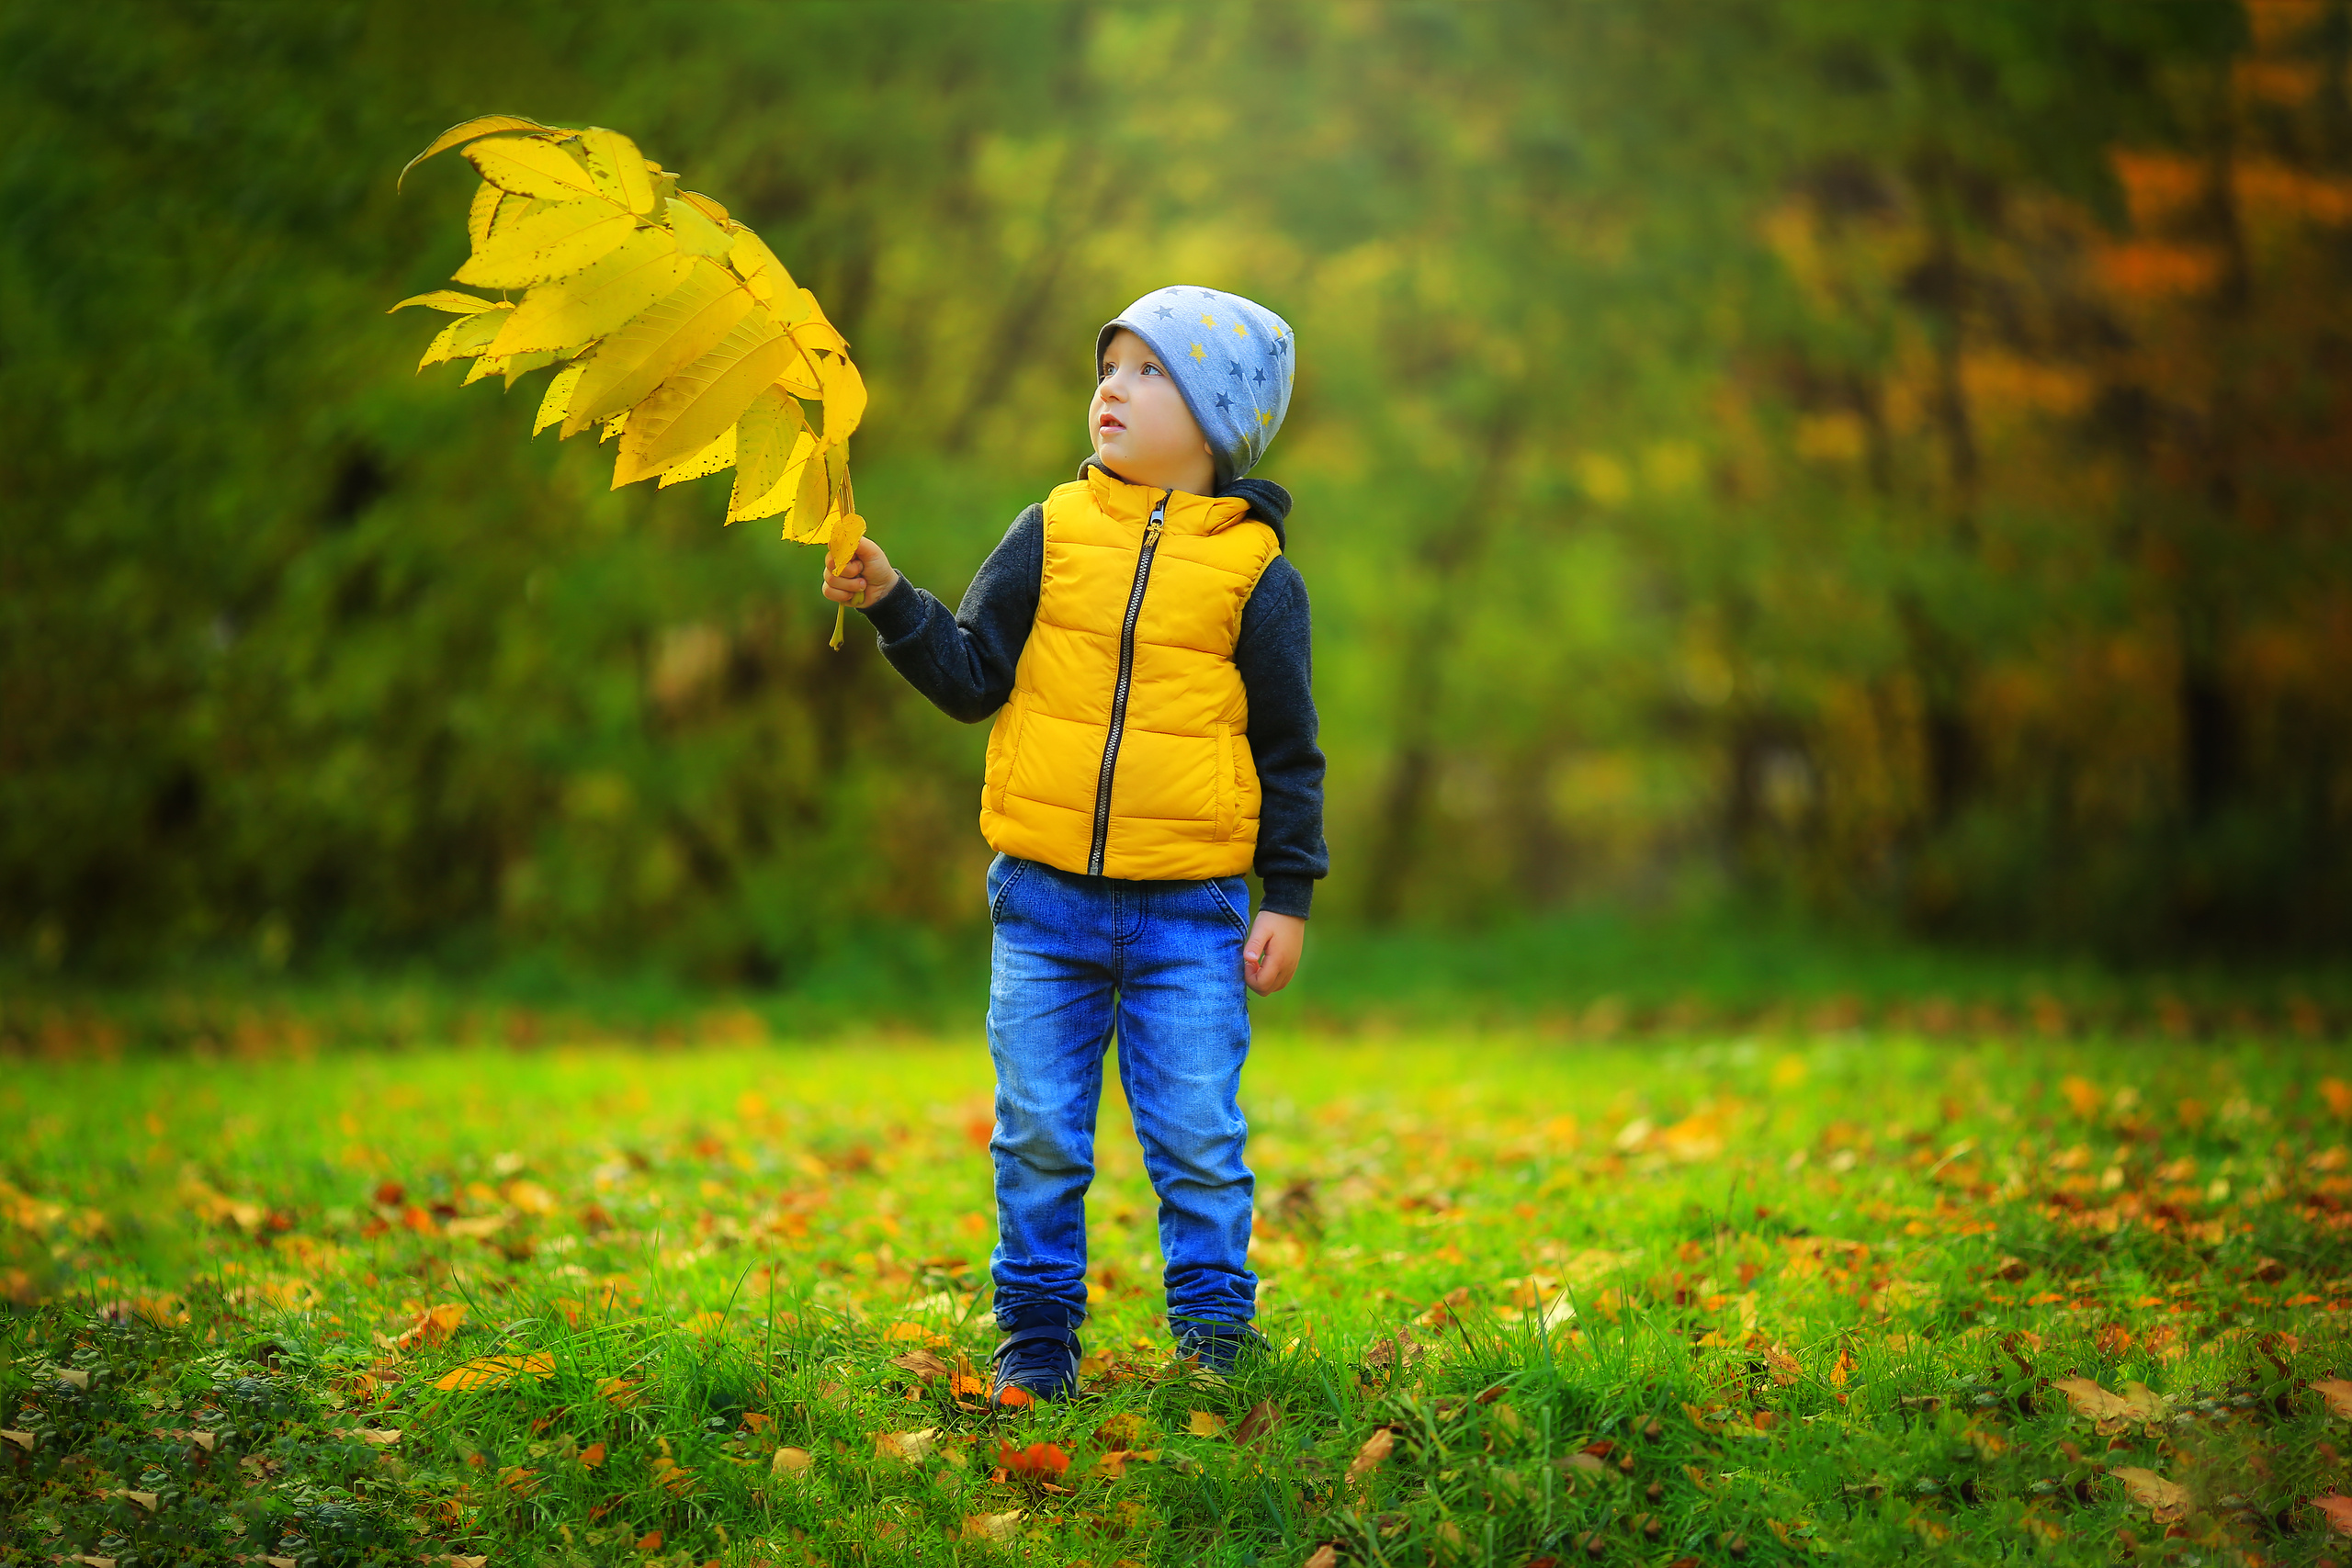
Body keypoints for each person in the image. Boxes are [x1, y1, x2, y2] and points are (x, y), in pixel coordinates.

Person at [820, 286, 1326, 1401]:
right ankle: (1037, 1339)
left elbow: (1289, 751)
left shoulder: (1257, 577)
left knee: (1197, 1133)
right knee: (1039, 1132)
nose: (1113, 387)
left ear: (1213, 424)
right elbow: (968, 680)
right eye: (1111, 365)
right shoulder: (1047, 530)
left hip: (1191, 915)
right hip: (1042, 901)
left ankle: (1212, 1342)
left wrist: (1285, 895)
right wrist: (893, 598)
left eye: (1152, 373)